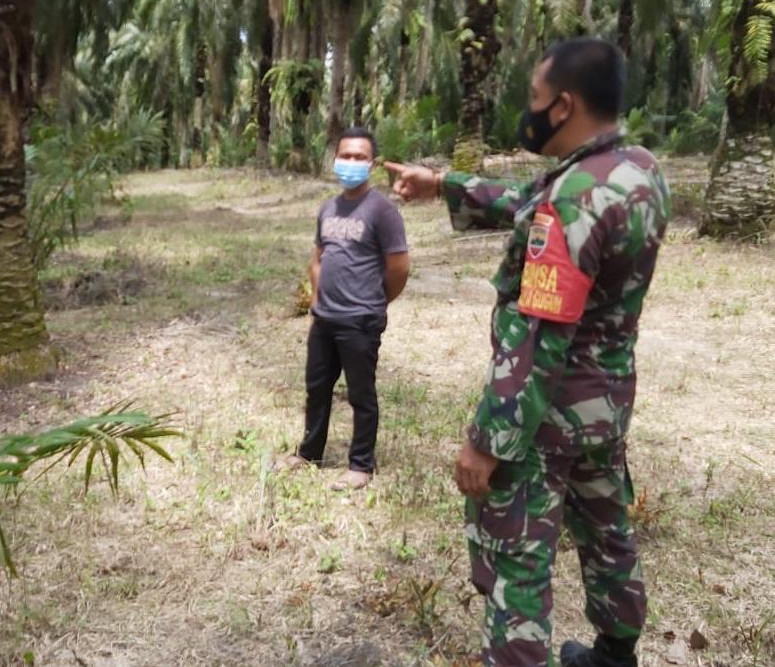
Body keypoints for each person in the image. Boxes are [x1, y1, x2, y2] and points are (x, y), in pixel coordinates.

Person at [386, 39, 670, 667]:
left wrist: (487, 441)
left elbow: (539, 337)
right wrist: (443, 184)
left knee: (518, 560)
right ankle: (616, 652)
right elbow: (530, 202)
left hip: (548, 417)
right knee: (606, 529)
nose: (529, 111)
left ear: (565, 105)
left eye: (535, 99)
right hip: (606, 405)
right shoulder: (635, 168)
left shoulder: (570, 202)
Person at [278, 127, 410, 491]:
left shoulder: (382, 211)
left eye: (359, 157)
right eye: (345, 155)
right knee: (316, 388)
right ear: (335, 159)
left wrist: (377, 301)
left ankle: (361, 465)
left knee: (360, 394)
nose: (351, 162)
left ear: (373, 163)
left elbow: (399, 267)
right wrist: (318, 302)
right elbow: (318, 259)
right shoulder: (328, 208)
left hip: (360, 320)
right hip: (325, 319)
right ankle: (309, 453)